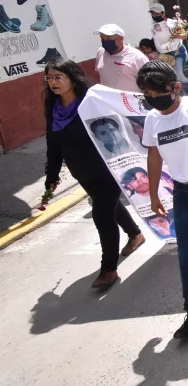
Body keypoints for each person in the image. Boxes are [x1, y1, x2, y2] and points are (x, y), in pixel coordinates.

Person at [43, 57, 145, 290]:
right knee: (110, 206)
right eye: (49, 78)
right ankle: (135, 234)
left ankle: (108, 269)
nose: (53, 82)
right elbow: (53, 144)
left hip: (106, 168)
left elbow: (120, 119)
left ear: (72, 79)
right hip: (82, 171)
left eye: (59, 77)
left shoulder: (91, 101)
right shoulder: (54, 108)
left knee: (101, 214)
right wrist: (52, 175)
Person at [138, 61, 188, 338]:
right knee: (186, 256)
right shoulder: (152, 119)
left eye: (156, 92)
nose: (151, 98)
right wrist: (154, 193)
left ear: (175, 88)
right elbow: (154, 155)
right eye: (146, 92)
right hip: (183, 194)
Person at [149, 2, 188, 94]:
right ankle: (178, 97)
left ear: (163, 13)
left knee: (179, 73)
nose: (154, 15)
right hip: (164, 55)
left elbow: (184, 35)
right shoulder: (153, 27)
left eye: (157, 13)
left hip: (177, 52)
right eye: (152, 13)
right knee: (171, 78)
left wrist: (176, 36)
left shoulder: (173, 23)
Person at [94, 24, 149, 92]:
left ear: (121, 38)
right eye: (102, 38)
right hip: (108, 100)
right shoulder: (101, 52)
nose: (105, 41)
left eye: (108, 38)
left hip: (130, 101)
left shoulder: (138, 58)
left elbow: (148, 83)